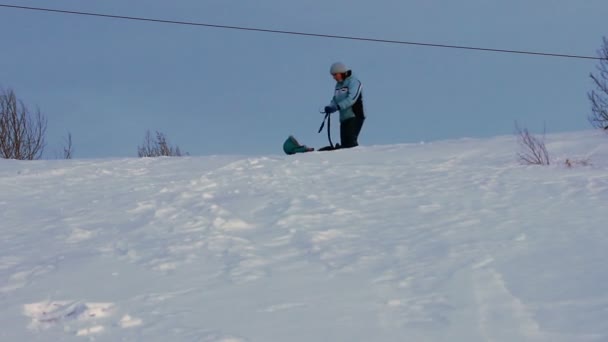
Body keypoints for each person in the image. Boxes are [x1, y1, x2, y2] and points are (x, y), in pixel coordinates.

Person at [323, 62, 365, 149]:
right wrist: (330, 106)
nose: (333, 77)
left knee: (350, 144)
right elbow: (335, 99)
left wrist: (337, 107)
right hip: (344, 118)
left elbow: (352, 99)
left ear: (342, 73)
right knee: (345, 145)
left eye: (335, 74)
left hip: (355, 116)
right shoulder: (338, 85)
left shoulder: (354, 82)